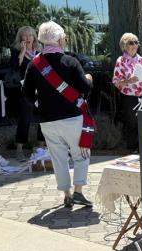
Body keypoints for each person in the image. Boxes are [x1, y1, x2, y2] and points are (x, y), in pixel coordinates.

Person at [23, 21, 93, 208]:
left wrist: (41, 104)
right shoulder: (70, 61)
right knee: (80, 155)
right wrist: (88, 79)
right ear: (60, 40)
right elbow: (85, 89)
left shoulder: (34, 65)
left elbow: (27, 95)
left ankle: (67, 194)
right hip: (72, 117)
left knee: (58, 158)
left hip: (47, 121)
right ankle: (78, 192)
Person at [10, 26, 45, 161]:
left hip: (41, 89)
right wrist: (23, 51)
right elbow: (15, 67)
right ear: (21, 38)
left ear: (34, 37)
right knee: (25, 118)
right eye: (25, 36)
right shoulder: (16, 51)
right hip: (25, 89)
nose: (28, 38)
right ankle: (19, 149)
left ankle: (40, 147)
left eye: (30, 35)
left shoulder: (40, 51)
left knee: (43, 117)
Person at [112, 33, 142, 152]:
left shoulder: (141, 59)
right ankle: (132, 148)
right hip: (128, 96)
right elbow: (116, 82)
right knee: (132, 123)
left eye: (136, 42)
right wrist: (129, 80)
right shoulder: (121, 61)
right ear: (124, 46)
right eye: (131, 43)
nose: (134, 45)